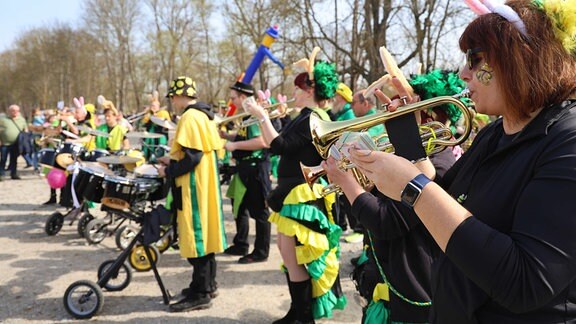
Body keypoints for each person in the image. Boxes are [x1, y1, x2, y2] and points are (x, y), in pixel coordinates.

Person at [347, 0, 576, 322]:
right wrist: (408, 138)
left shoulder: (569, 140)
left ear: (522, 59)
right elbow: (446, 213)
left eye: (475, 58)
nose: (463, 73)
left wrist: (413, 188)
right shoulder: (495, 132)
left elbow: (527, 283)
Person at [244, 48, 347, 323]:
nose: (295, 92)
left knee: (295, 255)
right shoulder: (307, 116)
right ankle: (298, 312)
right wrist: (271, 117)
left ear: (310, 89)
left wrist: (262, 117)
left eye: (299, 87)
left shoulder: (313, 118)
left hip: (302, 193)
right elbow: (279, 141)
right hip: (295, 191)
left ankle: (303, 316)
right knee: (289, 253)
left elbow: (279, 145)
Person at [157, 76, 226, 312]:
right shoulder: (205, 115)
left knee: (196, 238)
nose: (173, 103)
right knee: (205, 235)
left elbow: (193, 157)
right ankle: (208, 284)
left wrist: (168, 169)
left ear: (178, 96)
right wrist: (173, 159)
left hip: (194, 186)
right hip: (205, 184)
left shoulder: (189, 116)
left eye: (173, 98)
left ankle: (201, 293)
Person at [220, 81, 271, 264]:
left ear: (243, 97)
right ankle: (241, 243)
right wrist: (228, 137)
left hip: (256, 168)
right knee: (239, 205)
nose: (232, 101)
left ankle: (261, 251)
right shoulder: (246, 116)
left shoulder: (254, 114)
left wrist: (234, 145)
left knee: (259, 211)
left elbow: (261, 141)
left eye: (234, 98)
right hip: (244, 168)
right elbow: (245, 136)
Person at [140, 91, 170, 161]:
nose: (152, 107)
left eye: (154, 106)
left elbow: (166, 123)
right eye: (151, 106)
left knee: (158, 156)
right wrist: (147, 114)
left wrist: (156, 116)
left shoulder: (163, 113)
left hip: (159, 138)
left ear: (158, 106)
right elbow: (143, 124)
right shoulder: (148, 114)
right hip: (149, 139)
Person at [0, 105, 27, 180]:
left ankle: (14, 174)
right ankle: (1, 174)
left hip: (16, 143)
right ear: (9, 111)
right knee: (3, 159)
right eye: (13, 111)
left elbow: (25, 130)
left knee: (14, 159)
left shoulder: (21, 120)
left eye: (17, 111)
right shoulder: (3, 120)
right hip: (5, 143)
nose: (15, 112)